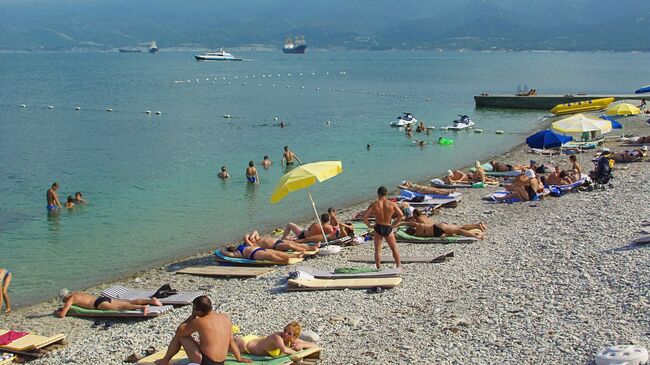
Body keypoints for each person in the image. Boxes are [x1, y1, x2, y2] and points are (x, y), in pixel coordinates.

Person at [155, 296, 251, 365]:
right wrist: (239, 358)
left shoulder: (200, 321)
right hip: (221, 362)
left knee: (180, 336)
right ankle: (165, 360)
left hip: (205, 361)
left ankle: (165, 360)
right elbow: (231, 341)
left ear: (199, 311)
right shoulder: (225, 318)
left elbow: (180, 331)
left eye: (194, 309)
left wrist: (191, 317)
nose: (193, 311)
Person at [363, 186, 403, 269]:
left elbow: (365, 217)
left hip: (378, 227)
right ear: (386, 193)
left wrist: (369, 225)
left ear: (378, 193)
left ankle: (378, 268)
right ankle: (398, 266)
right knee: (394, 248)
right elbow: (401, 215)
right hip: (388, 227)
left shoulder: (374, 204)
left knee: (378, 250)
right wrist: (394, 225)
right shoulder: (392, 204)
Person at [234, 321, 316, 358]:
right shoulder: (277, 337)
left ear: (294, 337)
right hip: (245, 345)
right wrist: (298, 353)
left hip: (256, 341)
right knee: (224, 347)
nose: (285, 333)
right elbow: (284, 350)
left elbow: (314, 345)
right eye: (285, 330)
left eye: (289, 333)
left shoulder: (291, 340)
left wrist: (302, 344)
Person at [55, 291, 162, 318]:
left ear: (65, 298)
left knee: (122, 307)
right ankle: (151, 301)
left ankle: (142, 307)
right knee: (128, 302)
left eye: (64, 301)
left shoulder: (71, 300)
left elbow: (62, 315)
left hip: (98, 304)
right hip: (102, 299)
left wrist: (57, 312)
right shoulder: (77, 294)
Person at [219, 244, 302, 264]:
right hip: (254, 254)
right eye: (230, 247)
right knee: (270, 256)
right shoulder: (236, 253)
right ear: (231, 250)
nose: (232, 246)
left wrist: (225, 246)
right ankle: (283, 260)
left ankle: (295, 255)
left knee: (279, 252)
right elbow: (224, 253)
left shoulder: (241, 246)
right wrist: (223, 249)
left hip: (259, 249)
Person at [243, 230, 316, 253]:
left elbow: (255, 231)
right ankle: (308, 249)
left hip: (279, 241)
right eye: (250, 239)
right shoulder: (254, 245)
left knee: (294, 243)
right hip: (276, 246)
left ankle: (310, 247)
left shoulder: (257, 238)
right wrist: (248, 237)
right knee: (291, 246)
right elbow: (245, 237)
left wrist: (252, 236)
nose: (252, 239)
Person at [400, 220, 485, 239]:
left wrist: (401, 224)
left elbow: (409, 224)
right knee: (459, 229)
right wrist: (401, 223)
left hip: (437, 231)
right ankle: (477, 226)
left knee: (459, 230)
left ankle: (477, 230)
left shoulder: (418, 234)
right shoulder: (418, 227)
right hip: (438, 227)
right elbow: (409, 223)